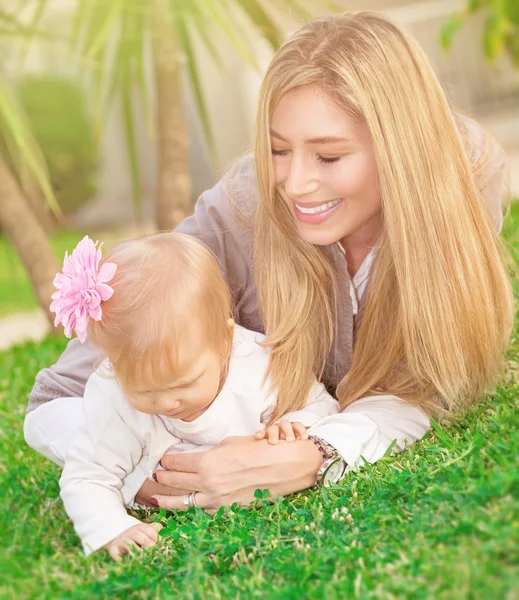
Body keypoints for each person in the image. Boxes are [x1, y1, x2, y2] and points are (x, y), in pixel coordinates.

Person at [25, 12, 514, 513]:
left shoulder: (463, 180)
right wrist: (151, 468)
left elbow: (421, 383)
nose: (296, 183)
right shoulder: (238, 211)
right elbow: (57, 400)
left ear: (398, 148)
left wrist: (314, 455)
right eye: (279, 149)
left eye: (328, 156)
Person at [53, 233, 339, 559]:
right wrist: (113, 528)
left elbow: (323, 405)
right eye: (144, 390)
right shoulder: (111, 394)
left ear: (224, 340)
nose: (165, 403)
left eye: (184, 384)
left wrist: (295, 423)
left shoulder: (258, 366)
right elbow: (87, 475)